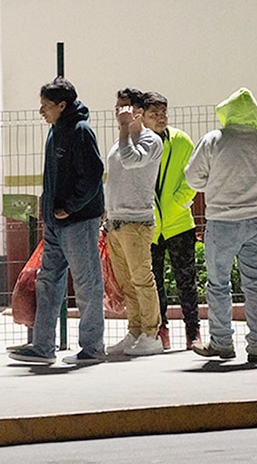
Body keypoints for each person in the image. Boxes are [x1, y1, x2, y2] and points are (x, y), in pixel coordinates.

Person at [9, 77, 107, 366]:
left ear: (62, 106)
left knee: (87, 284)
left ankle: (92, 348)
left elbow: (92, 177)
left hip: (77, 222)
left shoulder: (80, 131)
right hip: (55, 222)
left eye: (46, 106)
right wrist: (50, 211)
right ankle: (42, 346)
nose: (42, 111)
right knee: (47, 281)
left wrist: (71, 207)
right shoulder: (55, 130)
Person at [186, 88, 257, 364]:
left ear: (226, 112)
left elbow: (193, 179)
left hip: (222, 221)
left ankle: (221, 342)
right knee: (255, 284)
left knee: (218, 283)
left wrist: (216, 185)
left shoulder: (214, 140)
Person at [103, 88, 164, 357]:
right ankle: (135, 330)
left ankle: (152, 335)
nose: (119, 112)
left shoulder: (151, 141)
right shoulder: (121, 140)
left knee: (142, 279)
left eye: (125, 107)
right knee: (126, 282)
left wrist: (126, 128)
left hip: (137, 222)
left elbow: (131, 161)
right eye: (117, 107)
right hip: (115, 222)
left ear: (138, 110)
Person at [141, 91, 200, 350]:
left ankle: (193, 331)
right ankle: (160, 330)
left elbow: (194, 176)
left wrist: (177, 201)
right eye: (154, 114)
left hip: (179, 223)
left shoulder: (182, 141)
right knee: (155, 284)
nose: (160, 118)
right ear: (141, 116)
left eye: (163, 112)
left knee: (186, 280)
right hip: (150, 226)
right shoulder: (137, 143)